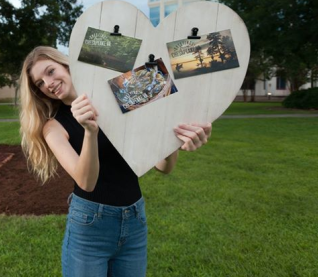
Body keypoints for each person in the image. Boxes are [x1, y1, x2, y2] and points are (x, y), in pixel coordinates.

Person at [18, 46, 211, 277]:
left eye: (50, 71)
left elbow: (164, 167)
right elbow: (86, 182)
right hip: (90, 228)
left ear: (67, 66)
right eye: (39, 83)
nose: (47, 83)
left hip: (135, 220)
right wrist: (90, 131)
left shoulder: (122, 93)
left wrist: (173, 141)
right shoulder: (54, 127)